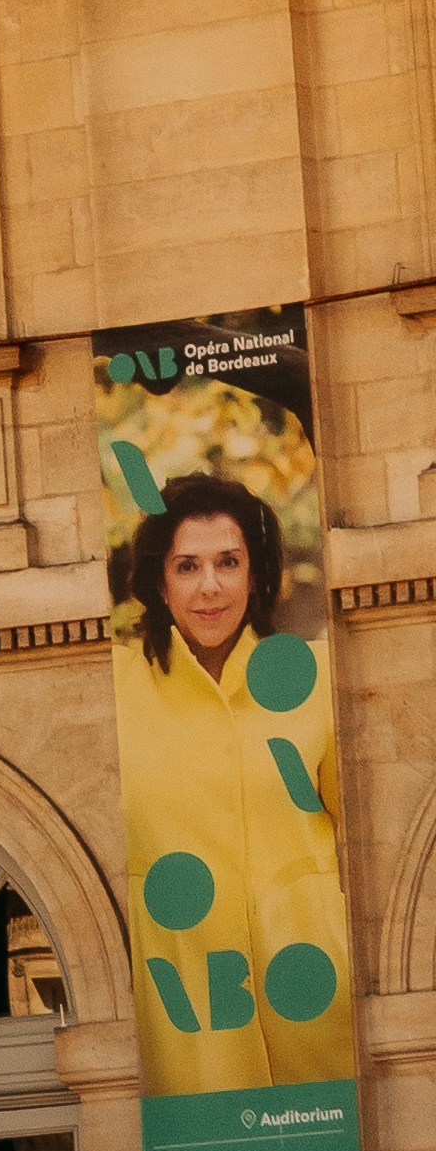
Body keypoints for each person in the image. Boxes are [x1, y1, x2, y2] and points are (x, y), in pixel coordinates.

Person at [108, 465, 353, 1092]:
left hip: (319, 1005)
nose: (209, 586)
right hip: (183, 1025)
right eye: (187, 566)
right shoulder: (111, 690)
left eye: (229, 562)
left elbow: (370, 848)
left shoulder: (315, 676)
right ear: (159, 581)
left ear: (256, 574)